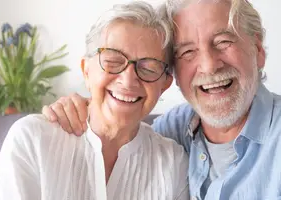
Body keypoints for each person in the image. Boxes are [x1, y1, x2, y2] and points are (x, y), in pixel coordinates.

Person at [42, 0, 281, 200]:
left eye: (223, 42)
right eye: (187, 52)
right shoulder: (171, 131)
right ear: (173, 75)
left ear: (258, 50)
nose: (208, 65)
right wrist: (88, 107)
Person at [0, 2, 190, 200]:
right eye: (112, 61)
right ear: (86, 70)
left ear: (164, 84)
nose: (128, 80)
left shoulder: (173, 163)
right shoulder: (33, 139)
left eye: (148, 68)